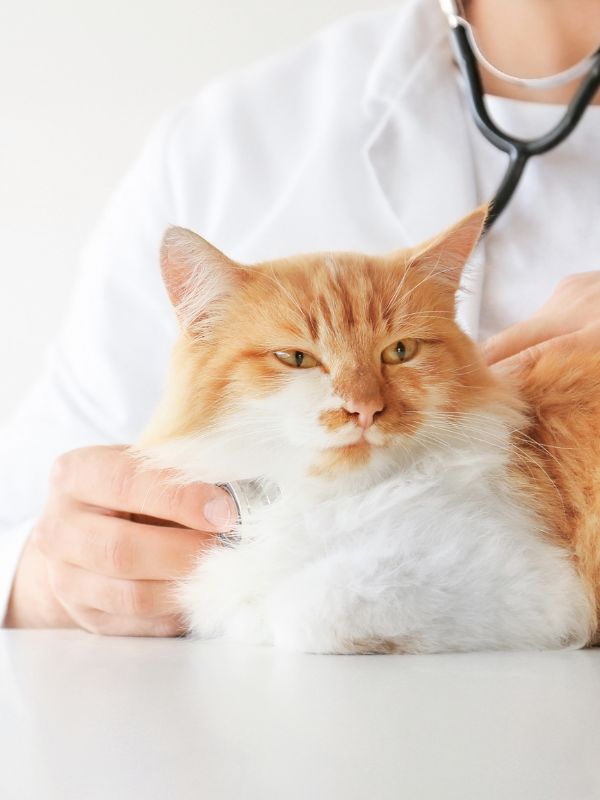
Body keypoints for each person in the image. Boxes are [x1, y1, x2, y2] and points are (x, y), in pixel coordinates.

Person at [3, 0, 599, 635]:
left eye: (398, 352)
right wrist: (53, 578)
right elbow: (23, 522)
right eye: (297, 358)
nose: (363, 402)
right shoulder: (226, 136)